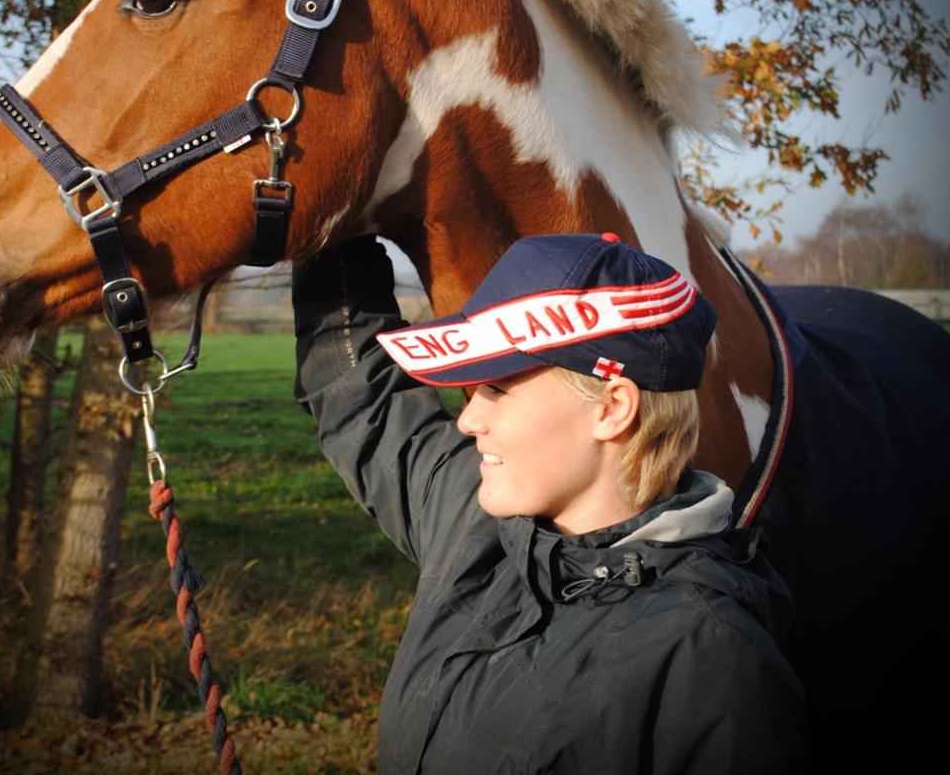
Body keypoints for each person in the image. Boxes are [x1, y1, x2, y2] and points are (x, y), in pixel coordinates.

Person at [292, 231, 805, 774]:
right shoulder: (477, 518)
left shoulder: (713, 663)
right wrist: (330, 211)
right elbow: (359, 392)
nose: (468, 420)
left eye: (497, 388)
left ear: (611, 408)